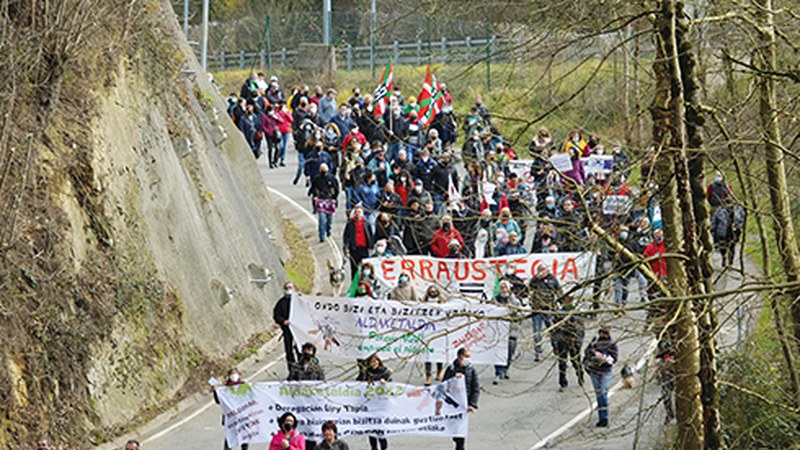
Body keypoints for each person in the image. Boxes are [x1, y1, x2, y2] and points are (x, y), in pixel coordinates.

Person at [442, 348, 479, 450]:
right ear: (459, 357)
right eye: (466, 357)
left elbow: (475, 388)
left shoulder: (471, 370)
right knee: (454, 429)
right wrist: (454, 377)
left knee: (460, 432)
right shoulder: (451, 369)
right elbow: (444, 385)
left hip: (464, 405)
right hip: (452, 404)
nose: (468, 359)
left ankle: (460, 446)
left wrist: (472, 404)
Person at [583, 327, 619, 427]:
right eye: (601, 333)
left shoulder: (612, 345)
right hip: (594, 371)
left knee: (603, 392)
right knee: (599, 394)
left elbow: (614, 358)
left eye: (604, 333)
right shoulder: (594, 343)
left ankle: (605, 416)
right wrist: (594, 354)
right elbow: (587, 353)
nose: (602, 335)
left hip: (605, 371)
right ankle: (601, 418)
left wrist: (604, 357)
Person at [357, 355, 392, 450]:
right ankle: (374, 447)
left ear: (379, 362)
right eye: (371, 362)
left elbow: (392, 388)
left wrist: (385, 384)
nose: (373, 364)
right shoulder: (367, 373)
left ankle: (384, 447)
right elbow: (359, 386)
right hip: (370, 404)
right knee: (371, 428)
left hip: (381, 404)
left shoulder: (386, 372)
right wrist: (365, 383)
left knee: (380, 429)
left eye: (375, 361)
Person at [528, 264, 561, 362]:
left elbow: (559, 291)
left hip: (549, 308)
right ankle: (538, 352)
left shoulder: (552, 280)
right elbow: (528, 290)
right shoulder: (534, 280)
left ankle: (556, 347)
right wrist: (536, 279)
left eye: (543, 269)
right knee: (537, 332)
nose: (542, 271)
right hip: (537, 309)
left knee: (552, 330)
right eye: (540, 269)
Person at [551, 296, 585, 391]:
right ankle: (562, 381)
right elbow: (554, 329)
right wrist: (554, 342)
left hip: (574, 339)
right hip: (562, 339)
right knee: (562, 362)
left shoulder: (576, 312)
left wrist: (579, 340)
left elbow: (581, 328)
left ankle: (580, 374)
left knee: (576, 360)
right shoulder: (559, 314)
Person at [493, 280, 522, 384]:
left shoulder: (515, 301)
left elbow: (521, 315)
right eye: (502, 287)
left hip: (511, 331)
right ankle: (498, 372)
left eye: (506, 287)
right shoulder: (495, 300)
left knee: (510, 353)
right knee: (498, 353)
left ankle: (505, 368)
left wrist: (514, 312)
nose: (504, 289)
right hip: (499, 331)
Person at [213, 369, 250, 450]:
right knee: (229, 438)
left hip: (242, 416)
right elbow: (218, 401)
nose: (234, 376)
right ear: (229, 376)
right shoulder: (225, 389)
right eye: (232, 374)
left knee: (244, 437)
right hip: (230, 417)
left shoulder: (244, 386)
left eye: (235, 374)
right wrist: (215, 391)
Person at [309, 163, 340, 242]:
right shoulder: (316, 179)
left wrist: (335, 199)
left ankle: (328, 229)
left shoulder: (332, 178)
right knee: (322, 219)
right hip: (321, 201)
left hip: (330, 200)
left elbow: (336, 189)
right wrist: (315, 196)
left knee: (330, 219)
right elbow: (313, 188)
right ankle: (321, 235)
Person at [422, 285, 446, 385]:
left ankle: (439, 371)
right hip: (427, 331)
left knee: (438, 352)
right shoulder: (424, 302)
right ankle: (428, 375)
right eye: (431, 291)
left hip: (439, 331)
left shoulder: (443, 301)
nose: (432, 292)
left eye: (434, 291)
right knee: (427, 355)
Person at [343, 206, 374, 278]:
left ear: (362, 213)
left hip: (364, 249)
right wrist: (346, 247)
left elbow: (371, 235)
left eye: (359, 212)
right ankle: (354, 287)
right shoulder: (350, 224)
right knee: (354, 269)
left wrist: (371, 246)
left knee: (366, 268)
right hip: (354, 249)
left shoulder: (366, 223)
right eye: (356, 212)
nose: (357, 214)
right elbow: (346, 236)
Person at [273, 282, 298, 371]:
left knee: (300, 349)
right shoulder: (281, 303)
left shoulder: (300, 301)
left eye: (290, 287)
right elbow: (276, 315)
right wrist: (283, 321)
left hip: (299, 331)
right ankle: (292, 370)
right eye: (286, 288)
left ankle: (303, 368)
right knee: (289, 351)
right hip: (287, 331)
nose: (288, 290)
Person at [655, 331, 676, 424]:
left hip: (675, 371)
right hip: (666, 374)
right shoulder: (661, 345)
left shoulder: (676, 342)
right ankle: (669, 414)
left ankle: (676, 414)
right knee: (666, 395)